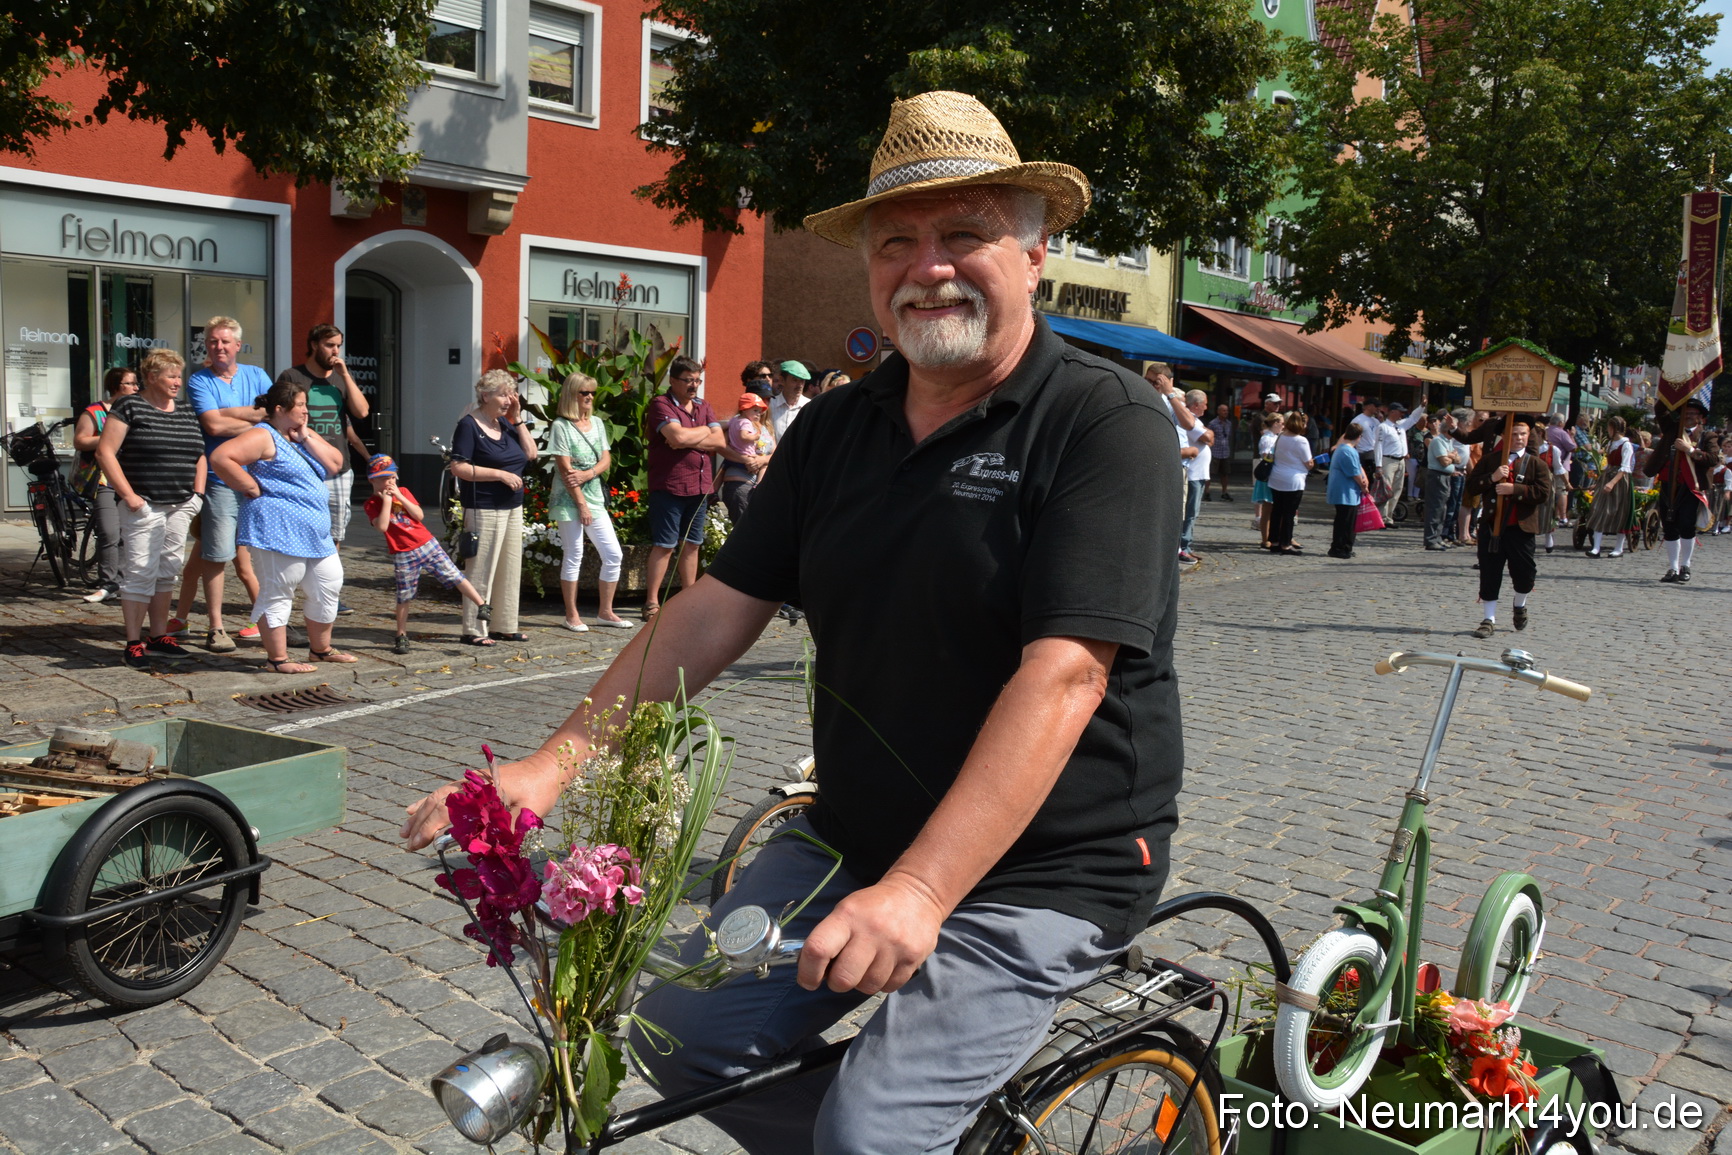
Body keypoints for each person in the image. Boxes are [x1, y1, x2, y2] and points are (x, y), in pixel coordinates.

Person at [402, 88, 1181, 1155]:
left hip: (1048, 866)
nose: (928, 263)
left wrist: (919, 888)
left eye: (965, 234)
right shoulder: (839, 429)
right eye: (897, 240)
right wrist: (550, 767)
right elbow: (715, 609)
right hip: (853, 836)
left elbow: (1065, 675)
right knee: (675, 1038)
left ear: (1035, 250)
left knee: (871, 1133)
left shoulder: (1102, 421)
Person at [211, 379, 354, 673]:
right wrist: (247, 485)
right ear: (280, 408)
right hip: (279, 528)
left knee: (328, 583)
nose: (306, 411)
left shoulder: (299, 435)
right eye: (300, 405)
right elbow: (221, 457)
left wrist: (305, 437)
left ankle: (321, 650)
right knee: (278, 590)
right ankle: (277, 659)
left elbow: (336, 463)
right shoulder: (264, 435)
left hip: (314, 531)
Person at [93, 349, 206, 669]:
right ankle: (133, 642)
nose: (177, 381)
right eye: (171, 375)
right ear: (151, 377)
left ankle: (158, 637)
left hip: (180, 504)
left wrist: (197, 495)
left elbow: (200, 453)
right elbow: (105, 452)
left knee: (167, 570)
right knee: (140, 571)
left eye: (179, 375)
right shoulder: (129, 405)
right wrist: (129, 496)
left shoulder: (184, 409)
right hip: (144, 504)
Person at [180, 315, 271, 653]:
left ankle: (268, 621)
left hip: (256, 478)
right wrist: (253, 420)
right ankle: (216, 627)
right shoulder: (200, 380)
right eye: (213, 341)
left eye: (224, 341)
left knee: (256, 556)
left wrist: (230, 414)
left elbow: (272, 415)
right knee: (216, 555)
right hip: (219, 480)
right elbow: (212, 427)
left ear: (237, 345)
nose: (219, 347)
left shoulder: (257, 375)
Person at [275, 323, 372, 613]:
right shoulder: (292, 376)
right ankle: (289, 589)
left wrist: (345, 375)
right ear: (314, 343)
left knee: (333, 533)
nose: (335, 351)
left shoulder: (341, 379)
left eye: (338, 345)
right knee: (297, 528)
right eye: (330, 345)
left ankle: (327, 590)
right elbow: (277, 418)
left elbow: (362, 412)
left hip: (338, 468)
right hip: (301, 465)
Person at [362, 455, 491, 654]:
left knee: (454, 574)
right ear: (372, 479)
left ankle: (482, 605)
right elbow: (382, 526)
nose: (390, 482)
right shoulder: (371, 504)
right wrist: (386, 501)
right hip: (402, 552)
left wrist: (400, 497)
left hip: (426, 543)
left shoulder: (403, 491)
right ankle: (401, 634)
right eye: (384, 478)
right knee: (404, 595)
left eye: (393, 478)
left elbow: (419, 515)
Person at [450, 369, 539, 643]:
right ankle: (474, 629)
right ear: (485, 395)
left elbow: (531, 454)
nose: (508, 400)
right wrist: (499, 474)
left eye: (511, 395)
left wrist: (518, 418)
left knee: (510, 568)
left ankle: (504, 624)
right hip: (483, 506)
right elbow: (459, 467)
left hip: (512, 505)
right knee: (481, 569)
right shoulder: (469, 425)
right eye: (503, 395)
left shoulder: (507, 424)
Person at [547, 372, 634, 631]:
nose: (589, 397)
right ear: (572, 395)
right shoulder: (560, 426)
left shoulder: (596, 423)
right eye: (584, 392)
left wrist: (589, 473)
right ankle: (571, 614)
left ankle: (605, 612)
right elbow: (565, 471)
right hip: (568, 499)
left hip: (594, 495)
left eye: (592, 392)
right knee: (574, 553)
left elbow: (606, 459)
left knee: (613, 554)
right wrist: (581, 504)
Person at [643, 355, 724, 620]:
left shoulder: (703, 406)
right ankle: (652, 602)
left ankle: (688, 598)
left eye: (697, 380)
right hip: (670, 484)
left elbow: (719, 440)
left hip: (699, 486)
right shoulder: (660, 404)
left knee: (692, 544)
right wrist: (701, 434)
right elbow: (675, 437)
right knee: (665, 545)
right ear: (673, 380)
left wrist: (689, 437)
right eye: (688, 380)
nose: (694, 386)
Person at [1462, 417, 1551, 638]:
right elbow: (1472, 486)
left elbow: (1543, 493)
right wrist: (1492, 478)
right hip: (1492, 526)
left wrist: (1515, 489)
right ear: (1504, 436)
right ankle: (1488, 618)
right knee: (1490, 571)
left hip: (1521, 528)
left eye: (1523, 434)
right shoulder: (1490, 460)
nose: (1519, 438)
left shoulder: (1536, 463)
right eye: (1514, 434)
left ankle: (1519, 605)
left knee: (1524, 573)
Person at [72, 365, 140, 603]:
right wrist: (111, 437)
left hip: (132, 478)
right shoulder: (96, 411)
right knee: (110, 531)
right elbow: (80, 441)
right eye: (130, 383)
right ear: (115, 386)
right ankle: (108, 583)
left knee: (127, 533)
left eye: (135, 383)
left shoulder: (137, 410)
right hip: (104, 479)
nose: (135, 388)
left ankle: (122, 582)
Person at [1646, 397, 1715, 584]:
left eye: (1693, 413)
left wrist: (1690, 450)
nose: (1689, 416)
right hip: (1668, 485)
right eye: (1686, 412)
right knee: (1669, 527)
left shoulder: (1707, 436)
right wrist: (1674, 390)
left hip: (1691, 488)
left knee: (1686, 525)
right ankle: (1673, 567)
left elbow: (1713, 459)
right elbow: (1660, 409)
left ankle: (1685, 565)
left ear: (1700, 418)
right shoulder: (1672, 428)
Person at [1583, 415, 1634, 558]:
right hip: (1607, 477)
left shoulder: (1626, 445)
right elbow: (1607, 465)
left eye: (1608, 428)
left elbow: (1625, 468)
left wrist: (1612, 483)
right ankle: (1596, 548)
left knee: (1618, 512)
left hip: (1619, 481)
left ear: (1613, 428)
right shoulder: (1611, 444)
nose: (1607, 431)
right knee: (1598, 509)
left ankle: (1619, 548)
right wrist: (1599, 482)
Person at [718, 390, 773, 523]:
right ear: (745, 408)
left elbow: (775, 453)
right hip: (739, 482)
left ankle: (759, 485)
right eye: (755, 409)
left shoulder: (766, 428)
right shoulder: (740, 422)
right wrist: (746, 459)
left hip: (757, 483)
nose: (759, 412)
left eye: (761, 408)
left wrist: (761, 460)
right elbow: (720, 445)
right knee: (743, 529)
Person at [1268, 411, 1314, 554]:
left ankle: (1274, 541)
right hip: (1293, 480)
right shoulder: (1301, 440)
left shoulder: (1281, 436)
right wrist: (1313, 463)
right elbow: (1308, 463)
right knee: (1289, 513)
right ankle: (1286, 544)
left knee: (1277, 511)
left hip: (1277, 477)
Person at [1375, 400, 1426, 524]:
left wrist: (1421, 406)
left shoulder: (1400, 425)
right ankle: (1382, 517)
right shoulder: (1383, 427)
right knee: (1386, 489)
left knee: (1397, 489)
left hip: (1401, 461)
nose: (1402, 414)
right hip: (1388, 460)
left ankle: (1389, 516)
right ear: (1392, 412)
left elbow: (1414, 418)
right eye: (1400, 412)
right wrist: (1378, 465)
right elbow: (1378, 446)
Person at [1178, 389, 1213, 563]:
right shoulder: (1188, 420)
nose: (1206, 408)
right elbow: (1208, 437)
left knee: (1193, 512)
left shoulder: (1195, 420)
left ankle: (1187, 545)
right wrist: (1207, 434)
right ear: (1197, 404)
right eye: (1205, 404)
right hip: (1192, 474)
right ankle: (1184, 546)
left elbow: (1210, 437)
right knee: (1189, 513)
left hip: (1198, 474)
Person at [1327, 424, 1370, 559]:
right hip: (1345, 491)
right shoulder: (1346, 450)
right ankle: (1338, 547)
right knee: (1344, 521)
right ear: (1359, 437)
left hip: (1349, 491)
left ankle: (1346, 546)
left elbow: (1358, 468)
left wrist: (1365, 479)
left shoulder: (1348, 450)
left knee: (1349, 521)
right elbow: (1353, 472)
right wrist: (1363, 486)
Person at [1423, 412, 1462, 550]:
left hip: (1446, 476)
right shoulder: (1438, 441)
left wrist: (1450, 456)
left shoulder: (1449, 442)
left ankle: (1438, 537)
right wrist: (1451, 456)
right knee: (1435, 508)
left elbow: (1458, 459)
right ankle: (1430, 539)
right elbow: (1444, 461)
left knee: (1442, 509)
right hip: (1437, 476)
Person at [1253, 411, 1283, 548]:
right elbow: (1266, 456)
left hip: (1274, 475)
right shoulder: (1267, 438)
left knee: (1274, 507)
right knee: (1267, 508)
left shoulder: (1276, 437)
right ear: (1275, 423)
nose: (1283, 426)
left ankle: (1274, 536)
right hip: (1268, 475)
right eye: (1282, 423)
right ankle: (1265, 539)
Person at [1544, 413, 1576, 528]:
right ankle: (1562, 518)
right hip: (1560, 465)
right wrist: (1572, 436)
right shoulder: (1562, 433)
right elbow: (1573, 448)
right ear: (1561, 423)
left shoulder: (1545, 430)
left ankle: (1552, 515)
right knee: (1562, 491)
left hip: (1545, 465)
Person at [769, 360, 812, 439]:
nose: (800, 385)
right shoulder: (770, 405)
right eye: (794, 380)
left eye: (802, 381)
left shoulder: (810, 406)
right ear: (782, 380)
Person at [1206, 403, 1235, 501]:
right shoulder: (1212, 423)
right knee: (1210, 472)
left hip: (1225, 451)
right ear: (1218, 412)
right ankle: (1206, 492)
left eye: (1227, 410)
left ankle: (1224, 492)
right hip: (1215, 451)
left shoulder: (1229, 423)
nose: (1226, 412)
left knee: (1225, 473)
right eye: (1223, 410)